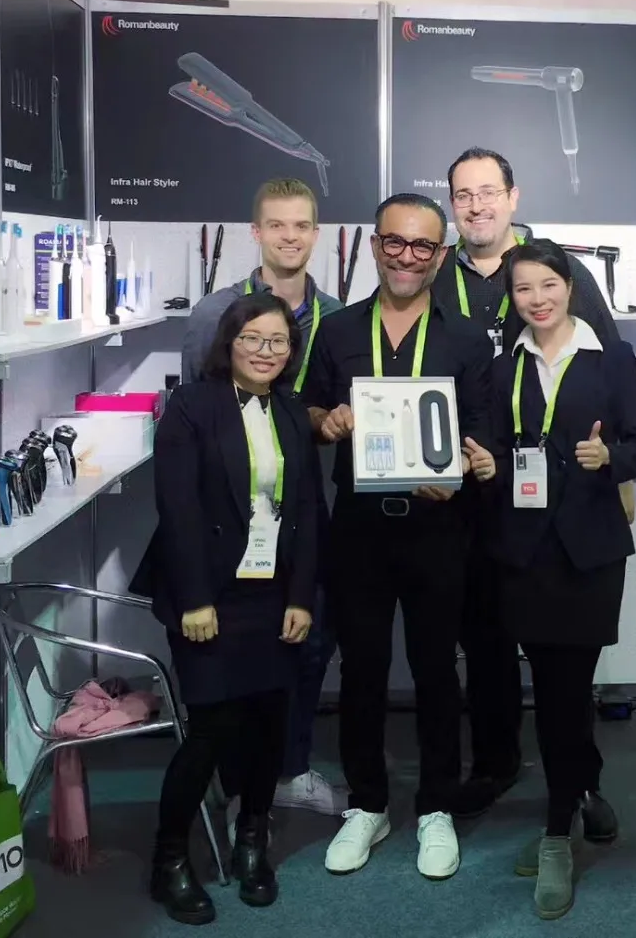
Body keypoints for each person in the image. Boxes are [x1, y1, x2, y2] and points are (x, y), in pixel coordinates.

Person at [303, 193, 494, 881]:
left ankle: (436, 805)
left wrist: (467, 468)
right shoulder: (336, 330)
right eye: (395, 242)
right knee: (361, 668)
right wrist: (325, 422)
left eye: (422, 245)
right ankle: (369, 803)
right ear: (374, 245)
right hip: (359, 528)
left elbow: (483, 430)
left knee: (437, 667)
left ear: (440, 255)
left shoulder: (465, 339)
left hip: (439, 527)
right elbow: (307, 406)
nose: (407, 256)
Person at [433, 147, 622, 832]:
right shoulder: (434, 274)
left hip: (551, 499)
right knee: (483, 638)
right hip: (466, 490)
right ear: (452, 204)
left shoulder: (556, 271)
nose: (476, 205)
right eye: (463, 195)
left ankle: (581, 781)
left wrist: (613, 472)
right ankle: (495, 762)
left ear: (513, 197)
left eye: (488, 191)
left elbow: (606, 375)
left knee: (562, 655)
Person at [132, 292, 319, 926]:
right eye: (253, 339)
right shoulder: (191, 407)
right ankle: (169, 860)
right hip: (209, 595)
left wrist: (302, 597)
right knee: (211, 730)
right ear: (229, 343)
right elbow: (178, 509)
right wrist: (195, 599)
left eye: (278, 341)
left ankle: (251, 842)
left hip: (272, 593)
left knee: (269, 723)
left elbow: (307, 513)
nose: (266, 352)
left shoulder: (290, 410)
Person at [488, 239, 636, 919]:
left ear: (569, 286)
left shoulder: (611, 357)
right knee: (560, 692)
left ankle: (557, 833)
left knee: (564, 690)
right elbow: (497, 447)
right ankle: (583, 794)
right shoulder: (504, 366)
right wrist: (486, 463)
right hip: (526, 554)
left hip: (589, 553)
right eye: (523, 288)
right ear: (512, 297)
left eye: (548, 284)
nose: (537, 299)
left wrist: (608, 456)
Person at [182, 177, 344, 823]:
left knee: (308, 640)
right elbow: (195, 412)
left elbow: (331, 404)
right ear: (256, 232)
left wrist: (329, 420)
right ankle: (236, 785)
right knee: (233, 652)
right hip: (230, 515)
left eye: (301, 225)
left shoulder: (336, 316)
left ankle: (290, 770)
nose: (289, 237)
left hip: (301, 506)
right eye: (276, 225)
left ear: (316, 233)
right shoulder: (214, 313)